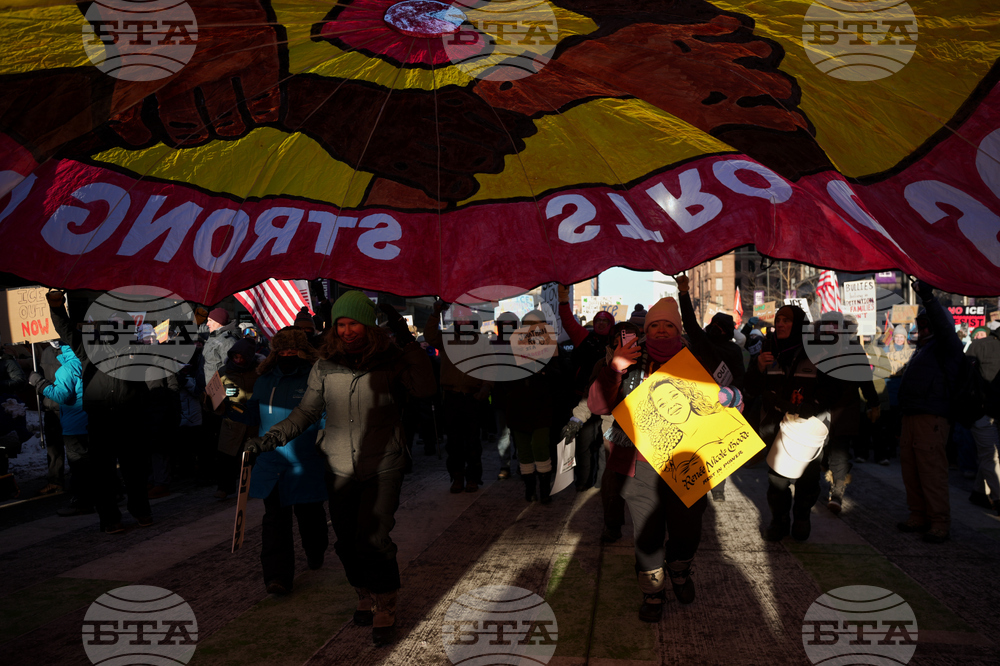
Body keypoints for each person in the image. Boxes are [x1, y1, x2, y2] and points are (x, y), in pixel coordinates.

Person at [246, 290, 435, 646]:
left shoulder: (392, 360)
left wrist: (406, 337)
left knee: (373, 538)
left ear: (369, 325)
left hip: (383, 463)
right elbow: (306, 411)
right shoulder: (324, 365)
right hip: (338, 465)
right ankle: (363, 591)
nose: (347, 331)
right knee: (347, 540)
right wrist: (270, 438)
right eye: (341, 325)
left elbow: (425, 388)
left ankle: (385, 602)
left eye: (354, 324)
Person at [588, 296, 728, 623]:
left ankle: (679, 571)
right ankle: (652, 591)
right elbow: (597, 405)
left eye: (668, 325)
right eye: (654, 325)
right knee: (647, 537)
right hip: (640, 465)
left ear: (678, 330)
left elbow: (726, 401)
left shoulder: (698, 359)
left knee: (687, 532)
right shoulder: (628, 359)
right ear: (645, 330)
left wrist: (732, 399)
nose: (662, 331)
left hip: (688, 463)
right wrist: (615, 369)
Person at [47, 290, 153, 534]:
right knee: (103, 474)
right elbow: (65, 329)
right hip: (101, 422)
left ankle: (141, 511)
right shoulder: (89, 349)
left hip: (129, 422)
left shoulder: (137, 352)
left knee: (134, 471)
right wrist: (57, 307)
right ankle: (110, 519)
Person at [244, 327, 329, 595]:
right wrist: (226, 406)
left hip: (306, 463)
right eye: (282, 350)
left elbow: (325, 417)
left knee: (310, 517)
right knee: (274, 522)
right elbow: (251, 414)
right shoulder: (264, 380)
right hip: (272, 464)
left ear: (303, 351)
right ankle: (277, 577)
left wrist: (325, 445)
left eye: (293, 350)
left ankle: (316, 551)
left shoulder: (316, 378)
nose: (288, 355)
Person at [746, 305, 838, 543]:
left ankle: (802, 516)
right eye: (778, 320)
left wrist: (813, 405)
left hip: (808, 428)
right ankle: (779, 521)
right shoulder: (768, 351)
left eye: (786, 320)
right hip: (776, 427)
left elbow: (832, 389)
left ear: (798, 325)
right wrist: (758, 367)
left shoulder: (817, 352)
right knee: (777, 479)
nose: (780, 324)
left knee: (808, 478)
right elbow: (751, 389)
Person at [895, 280, 964, 544]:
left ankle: (939, 522)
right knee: (911, 470)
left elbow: (943, 327)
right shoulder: (923, 349)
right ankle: (918, 515)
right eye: (920, 324)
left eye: (927, 324)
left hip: (931, 418)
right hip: (912, 416)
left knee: (931, 471)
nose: (922, 328)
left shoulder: (947, 346)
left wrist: (928, 298)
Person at [677, 275, 745, 501]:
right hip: (695, 401)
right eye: (713, 325)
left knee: (717, 447)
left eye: (720, 327)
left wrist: (733, 396)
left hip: (721, 404)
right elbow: (689, 321)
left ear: (728, 332)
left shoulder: (733, 351)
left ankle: (718, 489)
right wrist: (683, 294)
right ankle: (695, 485)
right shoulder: (700, 340)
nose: (715, 329)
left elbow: (740, 378)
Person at [493, 311, 560, 503]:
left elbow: (559, 376)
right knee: (523, 449)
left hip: (541, 408)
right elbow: (503, 379)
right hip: (518, 407)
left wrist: (542, 370)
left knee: (540, 447)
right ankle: (530, 489)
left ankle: (544, 489)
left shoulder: (551, 348)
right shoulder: (512, 347)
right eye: (527, 325)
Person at [424, 300, 490, 493]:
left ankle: (473, 478)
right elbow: (429, 335)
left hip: (472, 396)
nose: (462, 322)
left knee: (472, 441)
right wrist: (435, 314)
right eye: (459, 319)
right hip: (451, 397)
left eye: (465, 319)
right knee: (454, 442)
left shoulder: (481, 341)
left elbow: (490, 367)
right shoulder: (446, 338)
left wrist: (486, 388)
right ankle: (457, 477)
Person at [558, 285, 615, 491]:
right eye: (598, 320)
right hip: (583, 400)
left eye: (605, 321)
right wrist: (563, 300)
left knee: (606, 447)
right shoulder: (584, 338)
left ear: (611, 325)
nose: (601, 323)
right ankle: (583, 483)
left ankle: (601, 484)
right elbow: (568, 321)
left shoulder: (618, 344)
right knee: (582, 446)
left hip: (609, 404)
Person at [28, 341, 92, 515]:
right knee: (92, 463)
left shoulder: (68, 368)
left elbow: (61, 395)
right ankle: (109, 494)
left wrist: (39, 383)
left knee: (79, 466)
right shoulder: (88, 361)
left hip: (75, 424)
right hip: (89, 420)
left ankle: (82, 502)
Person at [214, 339, 259, 499]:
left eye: (242, 357)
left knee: (251, 457)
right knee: (227, 456)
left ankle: (251, 487)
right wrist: (219, 403)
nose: (238, 361)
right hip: (231, 421)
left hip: (252, 422)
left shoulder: (258, 371)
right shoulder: (223, 372)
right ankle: (224, 488)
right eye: (236, 357)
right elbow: (211, 396)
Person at [965, 324, 1000, 514]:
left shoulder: (978, 345)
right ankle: (998, 496)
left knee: (989, 455)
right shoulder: (983, 346)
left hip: (980, 410)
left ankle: (979, 492)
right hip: (984, 411)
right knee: (992, 456)